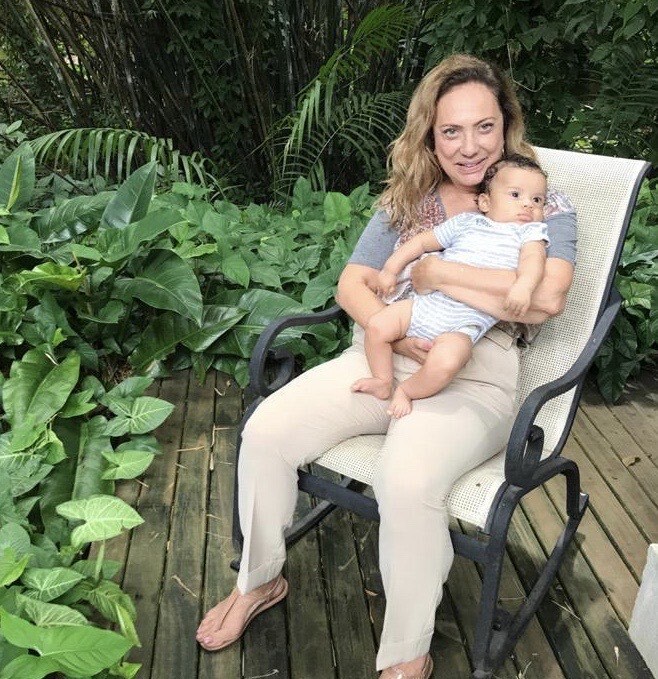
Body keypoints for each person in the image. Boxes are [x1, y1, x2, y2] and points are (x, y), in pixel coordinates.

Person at [196, 53, 577, 679]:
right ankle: (259, 579)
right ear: (431, 135)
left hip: (475, 372)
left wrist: (438, 274)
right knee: (266, 430)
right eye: (451, 130)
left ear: (507, 125)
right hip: (387, 351)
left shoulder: (538, 203)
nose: (469, 146)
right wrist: (395, 337)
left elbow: (544, 300)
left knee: (406, 480)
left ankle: (406, 652)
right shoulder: (411, 197)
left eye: (484, 126)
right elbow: (353, 284)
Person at [351, 155, 549, 418]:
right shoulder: (466, 223)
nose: (527, 204)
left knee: (448, 362)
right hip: (425, 305)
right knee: (377, 326)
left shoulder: (530, 234)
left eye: (537, 200)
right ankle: (382, 380)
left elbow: (533, 262)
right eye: (515, 195)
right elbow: (421, 243)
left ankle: (407, 391)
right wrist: (389, 270)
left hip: (463, 324)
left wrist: (524, 286)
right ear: (485, 202)